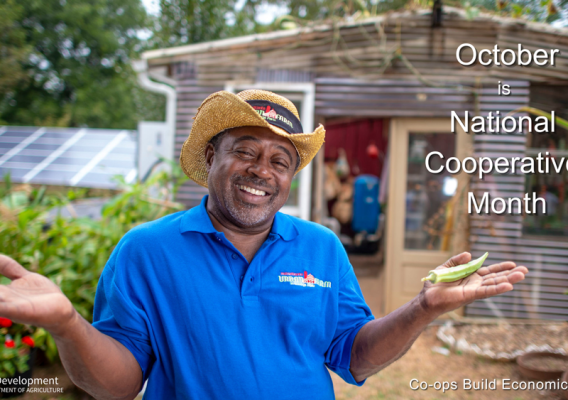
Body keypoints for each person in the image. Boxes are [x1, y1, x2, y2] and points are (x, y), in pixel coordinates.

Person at [0, 90, 528, 400]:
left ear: (291, 177)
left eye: (281, 161)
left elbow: (354, 357)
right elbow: (117, 384)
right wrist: (66, 324)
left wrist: (422, 309)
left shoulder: (321, 248)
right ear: (211, 157)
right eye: (245, 151)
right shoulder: (146, 251)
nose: (262, 171)